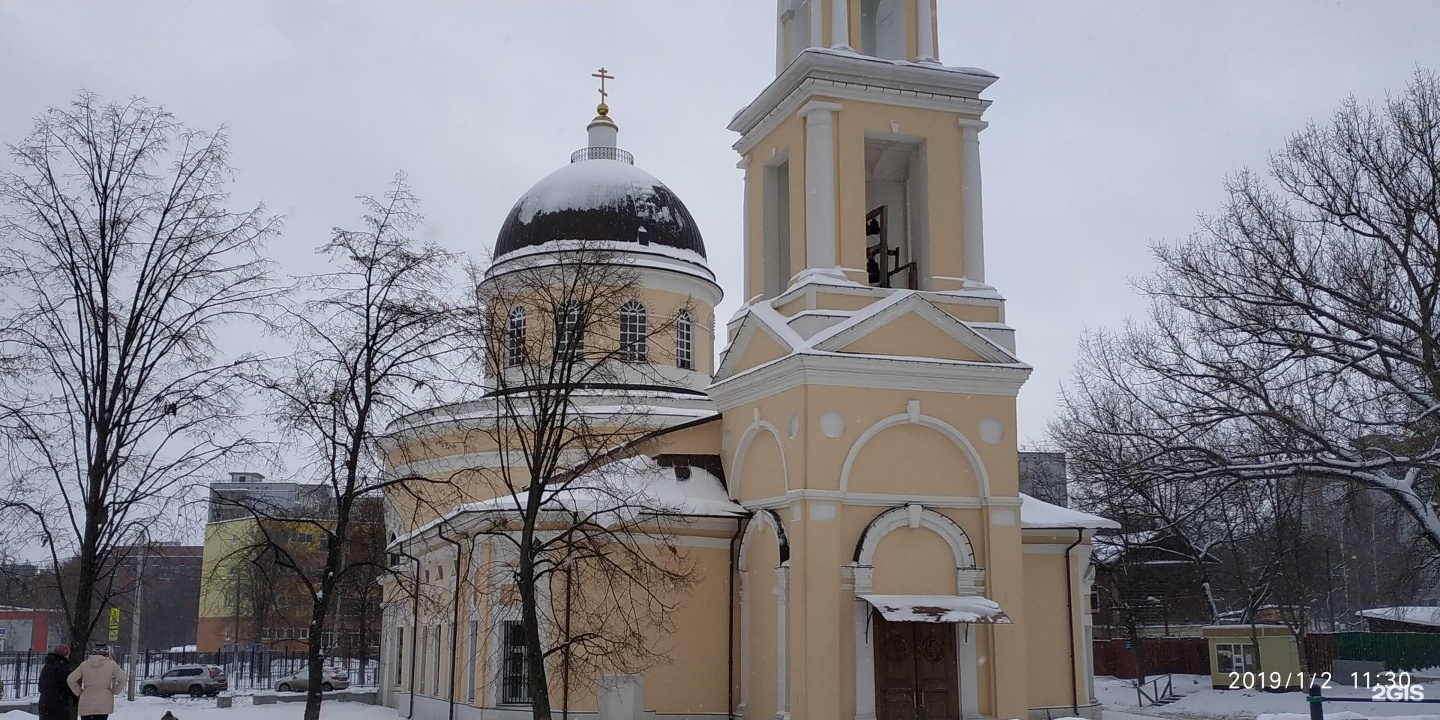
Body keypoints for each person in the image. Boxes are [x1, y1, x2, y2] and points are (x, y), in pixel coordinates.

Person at [65, 644, 125, 720]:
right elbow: (123, 679)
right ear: (106, 653)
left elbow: (70, 679)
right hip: (104, 703)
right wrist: (114, 691)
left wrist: (79, 692)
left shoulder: (84, 664)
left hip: (86, 701)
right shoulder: (111, 664)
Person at [37, 644, 75, 720]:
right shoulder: (62, 667)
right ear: (64, 655)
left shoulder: (47, 666)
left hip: (44, 702)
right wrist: (74, 696)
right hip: (58, 704)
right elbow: (66, 685)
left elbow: (40, 686)